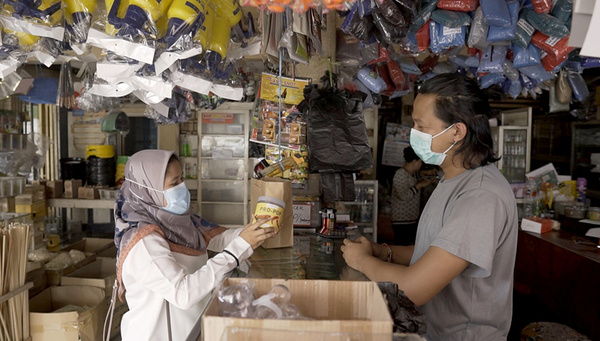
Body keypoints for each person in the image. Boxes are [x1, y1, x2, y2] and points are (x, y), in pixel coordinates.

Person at [341, 74, 518, 340]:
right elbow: (435, 252)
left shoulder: (480, 196)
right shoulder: (451, 179)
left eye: (421, 127)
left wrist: (362, 261)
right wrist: (382, 252)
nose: (414, 135)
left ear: (457, 132)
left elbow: (414, 288)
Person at [113, 150, 277, 341]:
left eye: (181, 179)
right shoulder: (143, 242)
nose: (182, 187)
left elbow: (220, 238)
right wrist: (238, 249)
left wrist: (254, 231)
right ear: (148, 190)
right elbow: (183, 294)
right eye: (174, 183)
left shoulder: (176, 222)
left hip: (189, 330)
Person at [391, 146, 436, 245]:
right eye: (420, 162)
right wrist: (419, 185)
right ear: (414, 161)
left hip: (410, 218)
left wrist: (425, 174)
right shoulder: (400, 174)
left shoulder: (410, 173)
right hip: (402, 220)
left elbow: (412, 178)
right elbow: (403, 195)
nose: (421, 164)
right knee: (403, 246)